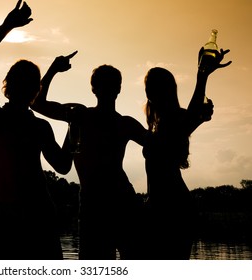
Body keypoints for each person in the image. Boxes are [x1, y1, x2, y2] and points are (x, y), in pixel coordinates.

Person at [0, 0, 73, 260]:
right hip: (29, 213)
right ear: (35, 90)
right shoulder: (34, 125)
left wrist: (7, 26)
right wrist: (74, 128)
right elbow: (63, 165)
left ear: (7, 84)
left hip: (16, 213)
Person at [31, 55, 147, 259]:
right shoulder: (87, 117)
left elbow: (37, 103)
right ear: (119, 89)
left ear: (93, 89)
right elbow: (162, 146)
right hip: (105, 203)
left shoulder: (85, 116)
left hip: (111, 203)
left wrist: (53, 70)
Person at [142, 48, 231, 259]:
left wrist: (202, 75)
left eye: (151, 87)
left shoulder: (172, 120)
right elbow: (183, 128)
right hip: (164, 207)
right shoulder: (161, 123)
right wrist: (198, 119)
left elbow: (185, 122)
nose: (148, 92)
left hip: (172, 208)